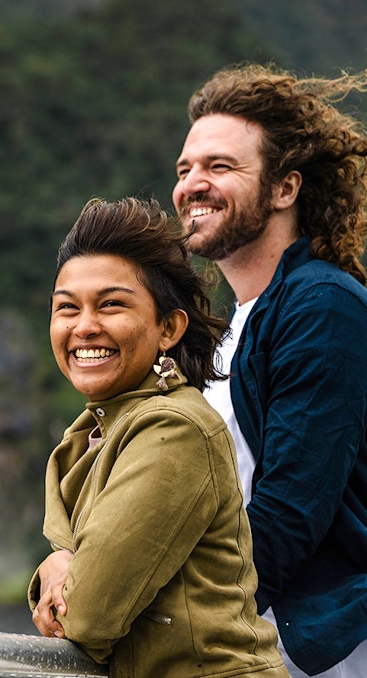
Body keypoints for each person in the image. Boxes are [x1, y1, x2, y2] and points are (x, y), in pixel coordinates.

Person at [173, 64, 367, 677]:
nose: (192, 184)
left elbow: (287, 515)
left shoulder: (323, 306)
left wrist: (163, 621)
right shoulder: (235, 326)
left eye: (219, 167)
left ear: (285, 189)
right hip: (247, 654)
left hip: (314, 661)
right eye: (185, 169)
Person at [29, 196, 289, 678]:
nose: (84, 327)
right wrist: (63, 557)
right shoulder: (93, 432)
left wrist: (60, 566)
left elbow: (85, 614)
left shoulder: (175, 429)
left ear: (168, 327)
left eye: (110, 305)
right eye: (67, 308)